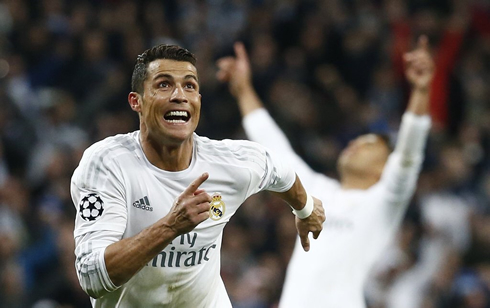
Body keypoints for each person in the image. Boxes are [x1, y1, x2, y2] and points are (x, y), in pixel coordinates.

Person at [70, 44, 325, 307]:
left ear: (198, 102)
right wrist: (170, 226)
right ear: (137, 101)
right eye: (164, 85)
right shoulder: (108, 164)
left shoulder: (230, 162)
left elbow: (280, 172)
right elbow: (92, 276)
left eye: (190, 86)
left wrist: (305, 209)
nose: (180, 95)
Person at [217, 36, 433, 308]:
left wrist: (421, 92)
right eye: (356, 141)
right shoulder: (317, 191)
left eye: (369, 145)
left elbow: (408, 156)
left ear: (385, 168)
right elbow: (274, 148)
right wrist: (244, 88)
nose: (355, 145)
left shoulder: (382, 201)